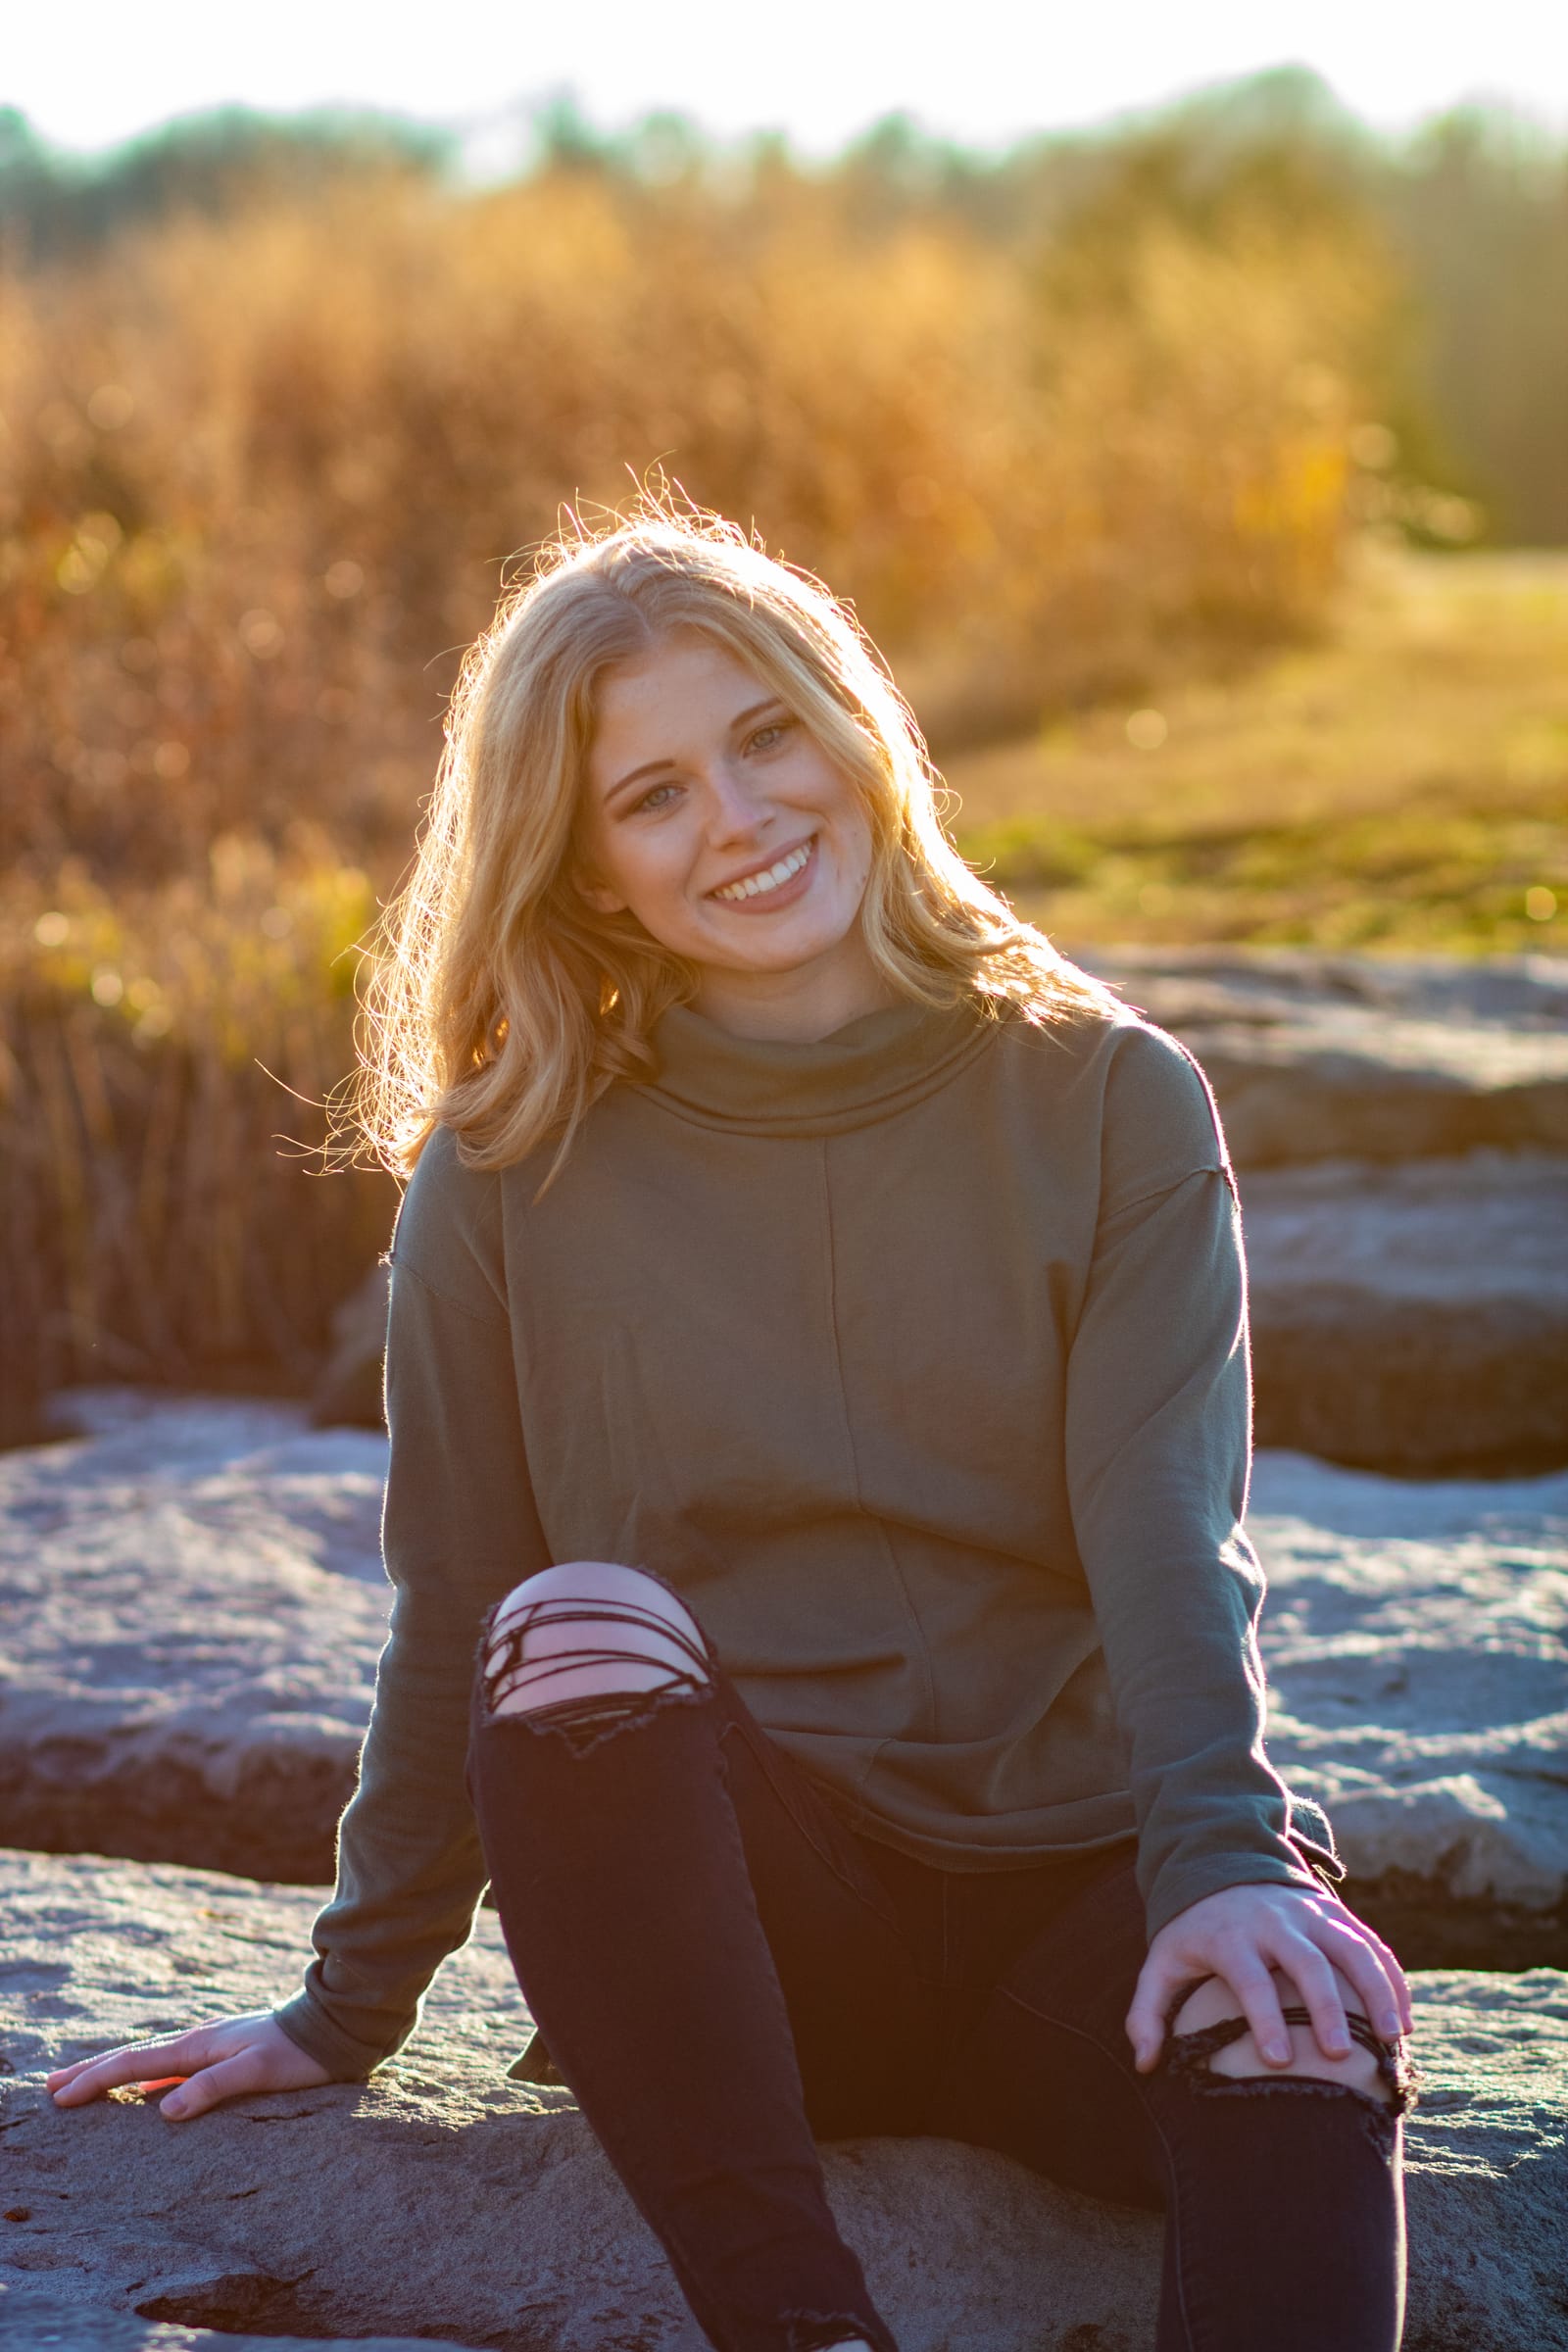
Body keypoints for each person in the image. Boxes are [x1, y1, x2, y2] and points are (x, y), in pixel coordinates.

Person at [49, 504, 1414, 2352]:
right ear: (590, 866)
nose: (743, 820)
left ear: (852, 728)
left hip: (1080, 1910)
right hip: (755, 1957)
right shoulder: (506, 1167)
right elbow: (457, 1599)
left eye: (766, 736)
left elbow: (1169, 1540)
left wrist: (1232, 1866)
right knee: (572, 1621)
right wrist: (344, 2009)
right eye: (656, 793)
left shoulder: (1109, 1099)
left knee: (1293, 2008)